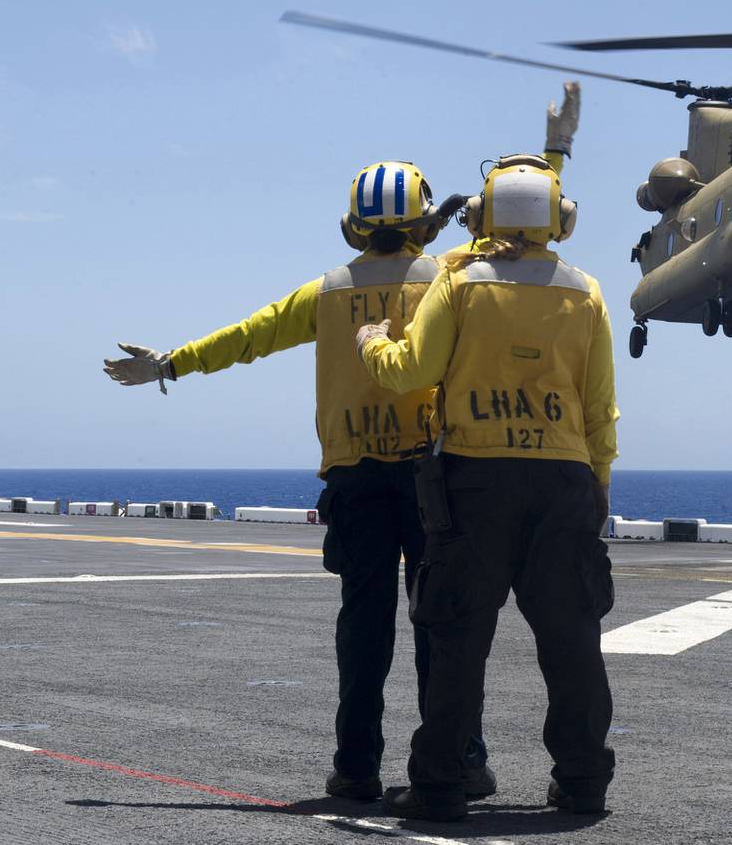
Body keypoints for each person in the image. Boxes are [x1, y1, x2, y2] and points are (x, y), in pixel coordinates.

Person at [100, 87, 581, 802]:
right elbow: (522, 228)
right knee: (441, 625)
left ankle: (355, 767)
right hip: (433, 477)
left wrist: (167, 363)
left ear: (353, 226)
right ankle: (460, 758)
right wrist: (555, 149)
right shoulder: (452, 275)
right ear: (425, 220)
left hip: (353, 480)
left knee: (363, 626)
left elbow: (246, 336)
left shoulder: (324, 293)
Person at [355, 152, 619, 822]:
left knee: (457, 637)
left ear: (480, 214)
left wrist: (369, 344)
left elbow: (411, 368)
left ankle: (441, 784)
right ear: (559, 219)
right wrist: (599, 483)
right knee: (572, 637)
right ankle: (583, 779)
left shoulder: (462, 282)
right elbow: (598, 407)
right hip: (563, 479)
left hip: (476, 479)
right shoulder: (585, 291)